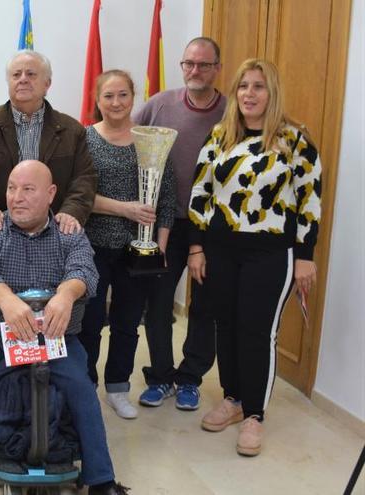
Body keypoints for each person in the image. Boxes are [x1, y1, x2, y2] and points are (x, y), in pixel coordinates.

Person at [0, 160, 129, 495]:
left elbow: (85, 270)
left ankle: (101, 478)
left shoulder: (69, 233)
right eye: (11, 188)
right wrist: (6, 300)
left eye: (28, 189)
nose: (16, 198)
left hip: (53, 333)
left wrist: (66, 294)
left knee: (81, 388)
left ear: (51, 194)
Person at [188, 58, 321, 456]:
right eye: (243, 86)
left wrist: (305, 256)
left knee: (257, 331)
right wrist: (197, 247)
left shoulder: (295, 140)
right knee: (225, 324)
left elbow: (310, 202)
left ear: (271, 92)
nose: (249, 93)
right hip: (221, 248)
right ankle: (232, 398)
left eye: (258, 86)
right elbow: (200, 193)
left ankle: (255, 414)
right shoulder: (220, 135)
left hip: (271, 252)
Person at [134, 37, 227, 411]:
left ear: (217, 69)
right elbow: (127, 137)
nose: (195, 71)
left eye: (204, 65)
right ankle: (160, 376)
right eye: (189, 63)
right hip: (165, 222)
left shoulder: (231, 112)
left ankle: (190, 378)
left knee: (205, 305)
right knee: (158, 304)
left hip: (212, 227)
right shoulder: (159, 104)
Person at [78, 70, 175, 420]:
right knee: (88, 321)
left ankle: (118, 387)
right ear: (97, 99)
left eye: (123, 95)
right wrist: (125, 208)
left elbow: (166, 199)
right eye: (108, 96)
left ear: (134, 97)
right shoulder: (84, 139)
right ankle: (86, 386)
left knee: (127, 322)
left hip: (138, 251)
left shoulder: (150, 140)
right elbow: (79, 196)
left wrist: (159, 246)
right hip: (91, 248)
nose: (116, 103)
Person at [0, 50, 96, 234]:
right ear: (9, 81)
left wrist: (71, 212)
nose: (23, 79)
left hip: (54, 231)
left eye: (31, 74)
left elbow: (83, 179)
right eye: (16, 74)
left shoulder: (72, 130)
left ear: (47, 83)